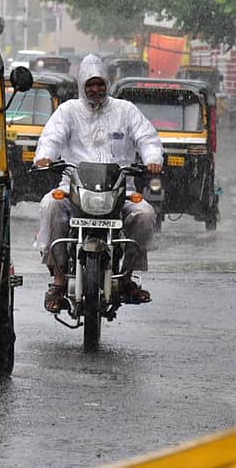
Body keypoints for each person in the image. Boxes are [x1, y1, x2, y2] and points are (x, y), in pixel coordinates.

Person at [33, 54, 163, 312]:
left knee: (145, 214)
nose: (95, 89)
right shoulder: (68, 111)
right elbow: (51, 137)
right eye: (90, 84)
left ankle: (126, 278)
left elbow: (147, 138)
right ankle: (58, 281)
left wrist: (152, 159)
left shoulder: (125, 110)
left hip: (120, 190)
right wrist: (45, 157)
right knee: (50, 206)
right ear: (81, 85)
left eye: (100, 84)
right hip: (74, 187)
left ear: (107, 84)